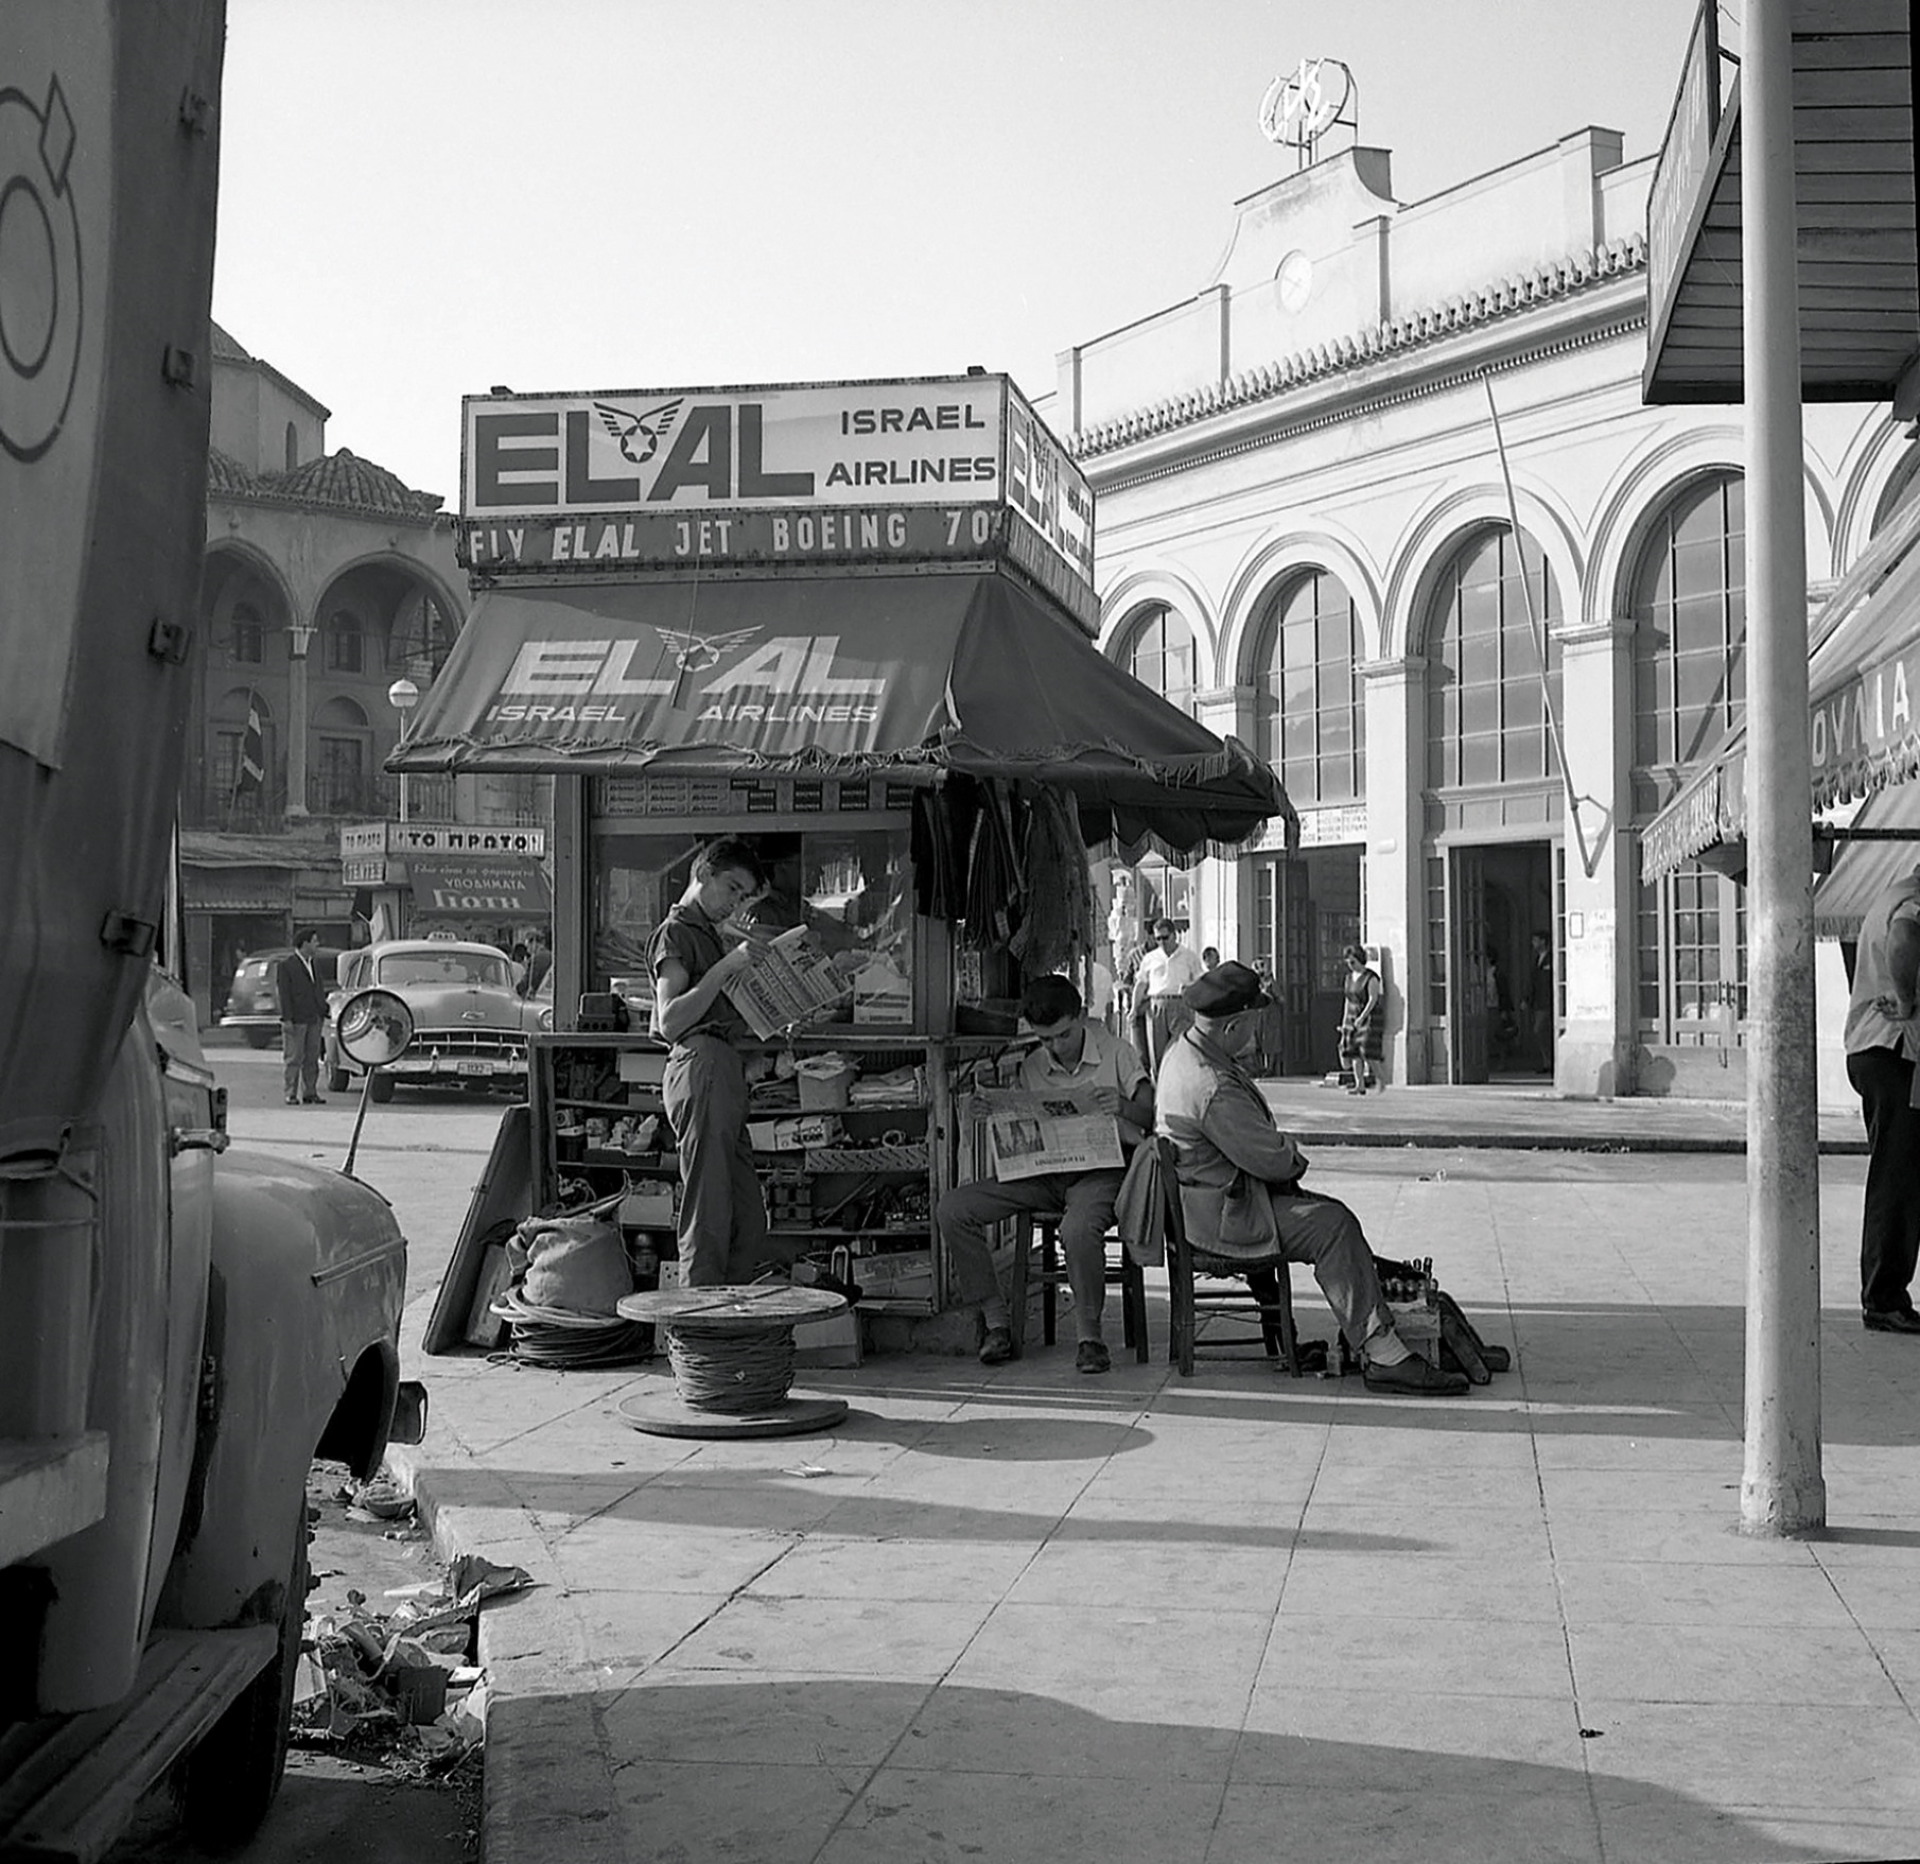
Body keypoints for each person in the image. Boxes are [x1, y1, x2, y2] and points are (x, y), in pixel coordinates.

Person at [1156, 961, 1467, 1394]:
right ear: (1231, 1028)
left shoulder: (1184, 1052)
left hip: (1213, 1202)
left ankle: (1319, 1337)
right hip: (1222, 1217)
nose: (1256, 1034)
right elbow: (1275, 1162)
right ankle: (1384, 1354)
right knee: (1334, 1226)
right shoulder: (1211, 1085)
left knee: (1326, 1216)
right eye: (1252, 1024)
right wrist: (1289, 1151)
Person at [940, 973, 1154, 1374]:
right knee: (953, 1208)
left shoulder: (1117, 1052)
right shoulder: (1034, 1065)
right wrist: (992, 1113)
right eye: (1045, 1039)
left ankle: (1089, 1337)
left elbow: (1151, 1116)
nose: (1055, 1046)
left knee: (1077, 1230)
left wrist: (1123, 1106)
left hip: (1101, 1173)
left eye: (1063, 1035)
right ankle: (997, 1322)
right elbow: (1028, 1121)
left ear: (1080, 1017)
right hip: (1044, 1172)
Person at [650, 838, 772, 1287]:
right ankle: (700, 1325)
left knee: (747, 1219)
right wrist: (726, 968)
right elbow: (671, 1019)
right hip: (699, 1064)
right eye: (732, 889)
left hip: (724, 1067)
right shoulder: (676, 933)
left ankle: (729, 1315)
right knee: (709, 1209)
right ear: (702, 874)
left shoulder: (711, 936)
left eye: (743, 897)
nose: (734, 903)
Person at [1844, 859, 1920, 1332]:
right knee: (1899, 1174)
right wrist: (1906, 995)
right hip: (1894, 1049)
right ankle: (1883, 1297)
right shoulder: (1910, 901)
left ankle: (1886, 1292)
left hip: (1877, 1050)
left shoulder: (1890, 891)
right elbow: (1905, 937)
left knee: (1904, 1171)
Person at [1131, 918, 1204, 1073]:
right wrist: (1134, 1008)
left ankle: (1184, 1090)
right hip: (1157, 1005)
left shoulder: (1188, 956)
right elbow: (1141, 984)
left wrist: (1189, 991)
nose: (1162, 942)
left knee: (1184, 1050)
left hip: (1180, 1004)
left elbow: (1199, 981)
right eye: (1158, 939)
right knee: (1157, 1055)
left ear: (1174, 935)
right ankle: (1160, 1090)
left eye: (1165, 937)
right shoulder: (1150, 958)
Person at [276, 929, 328, 1106]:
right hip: (296, 1019)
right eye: (314, 941)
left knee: (312, 1057)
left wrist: (323, 1009)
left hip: (314, 1018)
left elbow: (318, 989)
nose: (317, 944)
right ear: (305, 944)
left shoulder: (314, 964)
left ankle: (310, 1092)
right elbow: (285, 995)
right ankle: (290, 1093)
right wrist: (287, 1018)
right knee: (294, 1058)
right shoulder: (287, 966)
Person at [1337, 944, 1383, 1095]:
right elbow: (1347, 1000)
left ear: (1360, 960)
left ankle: (1380, 1080)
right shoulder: (1349, 978)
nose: (1351, 966)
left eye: (1353, 963)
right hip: (1352, 1015)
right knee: (1354, 1052)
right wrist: (1345, 1020)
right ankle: (1359, 1084)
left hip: (1368, 1017)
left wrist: (1362, 1017)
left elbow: (1373, 999)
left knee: (1367, 1051)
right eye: (1348, 963)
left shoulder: (1371, 978)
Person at [1525, 931, 1554, 1075]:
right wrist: (1527, 999)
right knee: (1541, 1032)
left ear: (1543, 941)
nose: (1533, 943)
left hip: (1549, 1002)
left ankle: (1550, 1061)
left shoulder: (1552, 957)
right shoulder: (1536, 958)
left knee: (1540, 1030)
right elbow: (1533, 982)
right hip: (1538, 1002)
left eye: (1535, 940)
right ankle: (1547, 1061)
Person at [516, 927, 552, 1000]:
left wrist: (518, 988)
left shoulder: (536, 959)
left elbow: (530, 979)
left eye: (528, 945)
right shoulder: (550, 955)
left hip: (538, 996)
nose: (528, 949)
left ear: (534, 943)